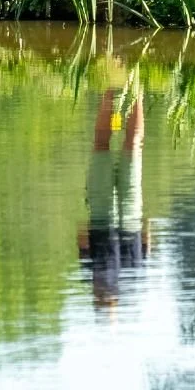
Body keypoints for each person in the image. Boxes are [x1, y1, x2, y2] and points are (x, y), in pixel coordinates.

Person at [78, 85, 147, 308]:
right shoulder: (91, 272)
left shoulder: (133, 276)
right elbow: (82, 237)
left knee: (133, 145)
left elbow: (146, 239)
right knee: (101, 145)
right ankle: (108, 88)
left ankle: (137, 87)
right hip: (101, 216)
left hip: (131, 217)